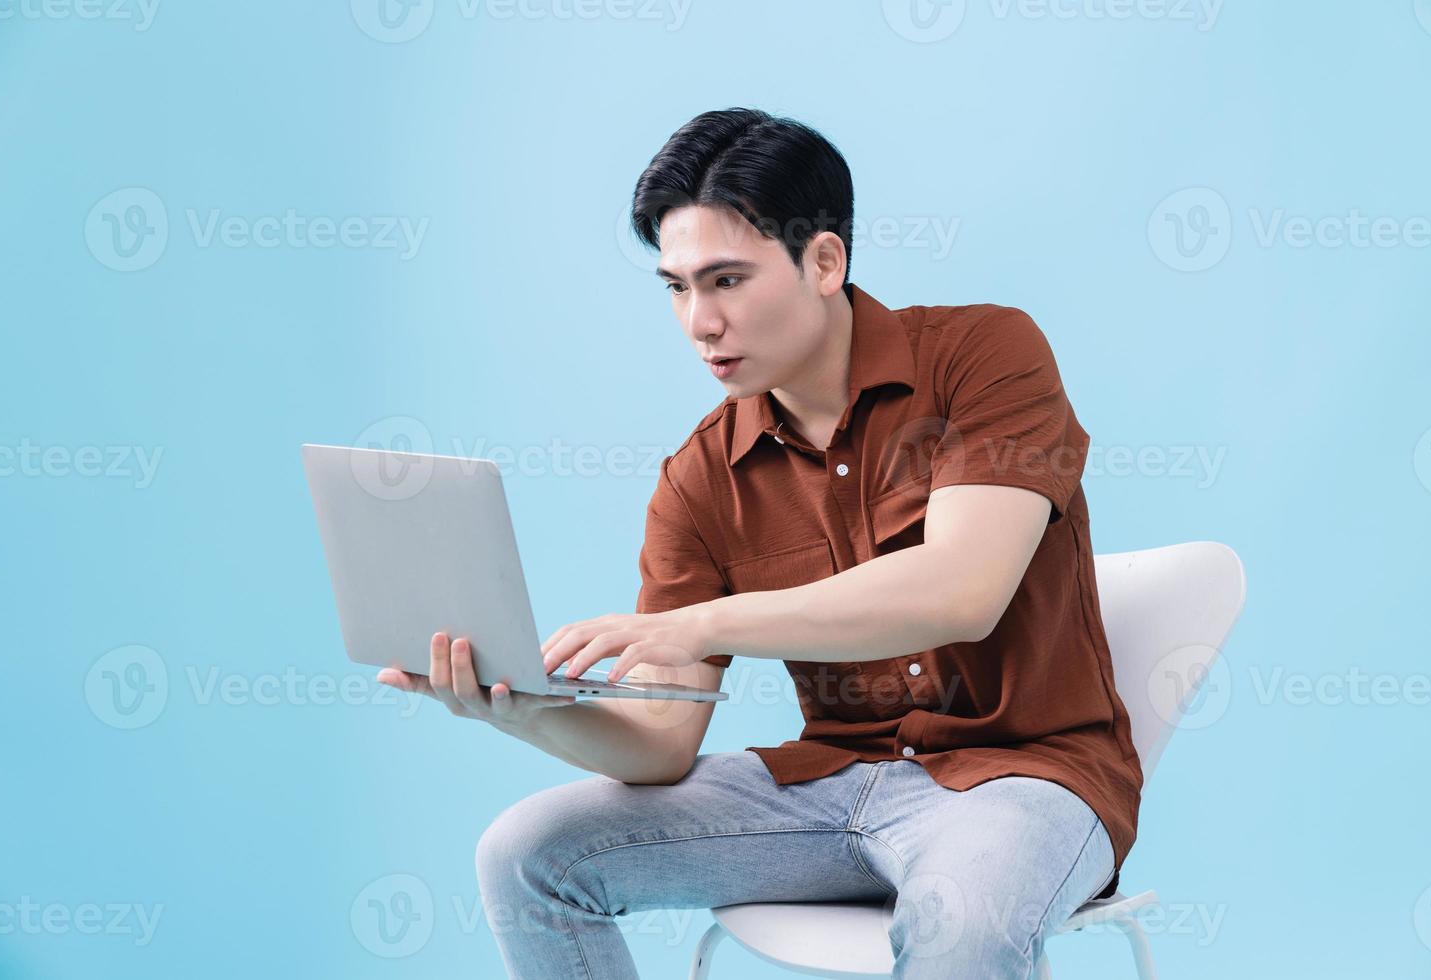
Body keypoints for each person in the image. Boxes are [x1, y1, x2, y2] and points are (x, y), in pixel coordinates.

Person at [378, 106, 1143, 979]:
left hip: (1024, 777)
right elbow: (663, 741)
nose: (698, 322)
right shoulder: (699, 476)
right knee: (526, 852)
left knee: (962, 920)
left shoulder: (985, 354)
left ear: (825, 261)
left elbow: (961, 587)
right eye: (675, 287)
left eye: (727, 281)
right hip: (825, 787)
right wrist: (525, 712)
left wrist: (706, 624)